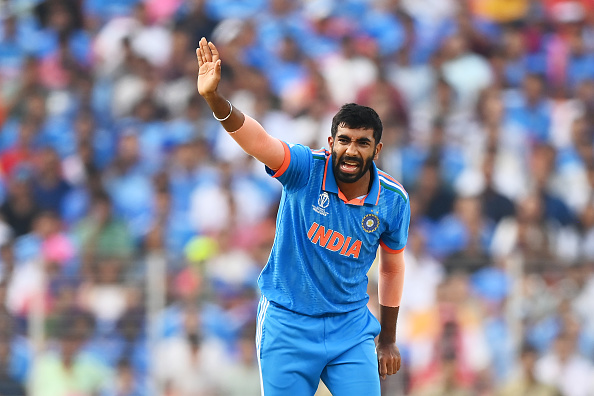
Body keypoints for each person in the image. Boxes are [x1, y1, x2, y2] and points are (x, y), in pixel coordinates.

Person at [196, 37, 410, 396]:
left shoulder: (393, 200)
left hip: (350, 328)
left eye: (362, 142)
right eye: (344, 140)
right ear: (331, 143)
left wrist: (387, 339)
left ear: (378, 149)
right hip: (287, 322)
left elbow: (391, 268)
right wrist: (215, 100)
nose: (351, 150)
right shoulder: (304, 169)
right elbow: (259, 141)